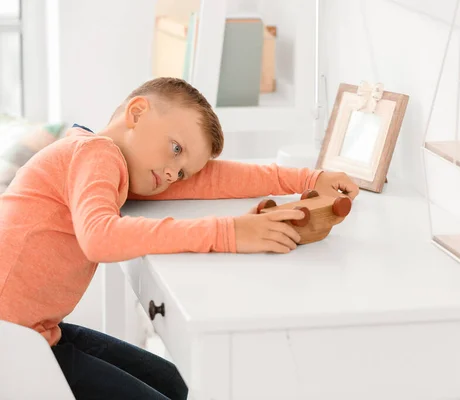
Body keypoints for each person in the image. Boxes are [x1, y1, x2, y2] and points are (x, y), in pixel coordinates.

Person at [0, 77, 359, 399]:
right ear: (137, 114)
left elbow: (216, 180)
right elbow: (100, 236)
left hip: (34, 332)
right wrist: (228, 232)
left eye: (182, 170)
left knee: (175, 382)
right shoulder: (96, 153)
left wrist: (309, 180)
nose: (174, 173)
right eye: (175, 149)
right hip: (10, 343)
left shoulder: (123, 166)